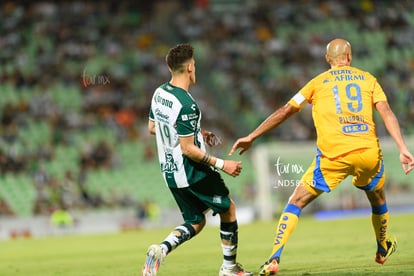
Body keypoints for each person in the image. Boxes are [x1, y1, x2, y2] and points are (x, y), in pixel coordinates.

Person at [229, 38, 414, 275]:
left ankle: (274, 258)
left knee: (296, 202)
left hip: (333, 157)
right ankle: (382, 248)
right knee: (377, 198)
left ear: (328, 59)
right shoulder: (369, 79)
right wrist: (402, 148)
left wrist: (252, 135)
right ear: (349, 57)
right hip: (368, 153)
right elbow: (386, 112)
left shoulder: (317, 83)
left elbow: (286, 110)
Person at [143, 44, 252, 276]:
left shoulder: (159, 93)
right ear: (190, 67)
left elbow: (153, 128)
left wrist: (197, 133)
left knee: (195, 220)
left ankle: (160, 249)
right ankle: (229, 268)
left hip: (170, 173)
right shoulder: (187, 104)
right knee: (228, 209)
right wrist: (224, 165)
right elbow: (188, 150)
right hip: (192, 171)